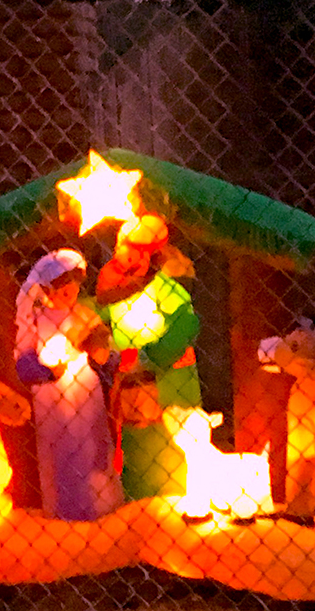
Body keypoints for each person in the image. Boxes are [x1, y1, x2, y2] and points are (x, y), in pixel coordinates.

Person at [95, 215, 201, 501]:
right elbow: (102, 314)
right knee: (134, 440)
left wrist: (158, 354)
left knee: (168, 439)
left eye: (128, 252)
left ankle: (175, 493)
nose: (120, 257)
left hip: (166, 375)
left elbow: (186, 322)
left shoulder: (163, 288)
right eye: (119, 249)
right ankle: (136, 495)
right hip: (127, 373)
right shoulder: (113, 287)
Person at [15, 250, 123, 521]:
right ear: (47, 289)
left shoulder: (83, 314)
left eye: (73, 291)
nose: (70, 297)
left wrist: (104, 355)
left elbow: (101, 347)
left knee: (92, 444)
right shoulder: (35, 320)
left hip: (83, 387)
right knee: (61, 451)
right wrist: (46, 371)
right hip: (52, 394)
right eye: (63, 291)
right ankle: (66, 508)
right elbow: (23, 360)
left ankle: (101, 504)